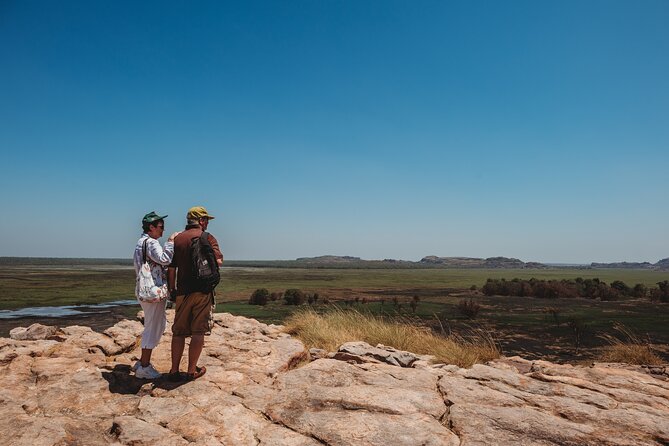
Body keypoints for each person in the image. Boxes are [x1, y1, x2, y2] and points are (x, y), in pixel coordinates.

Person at [167, 206, 223, 381]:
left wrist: (172, 290)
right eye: (206, 220)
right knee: (198, 331)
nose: (207, 223)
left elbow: (171, 268)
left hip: (182, 291)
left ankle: (174, 371)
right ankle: (191, 371)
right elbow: (219, 262)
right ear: (201, 221)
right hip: (203, 291)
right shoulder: (208, 238)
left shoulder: (178, 239)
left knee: (179, 332)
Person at [133, 211, 179, 379]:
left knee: (152, 325)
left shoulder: (141, 242)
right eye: (160, 227)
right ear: (151, 227)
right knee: (153, 328)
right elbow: (165, 259)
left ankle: (142, 362)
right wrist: (171, 242)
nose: (163, 230)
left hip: (144, 290)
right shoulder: (151, 243)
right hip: (153, 292)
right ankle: (144, 367)